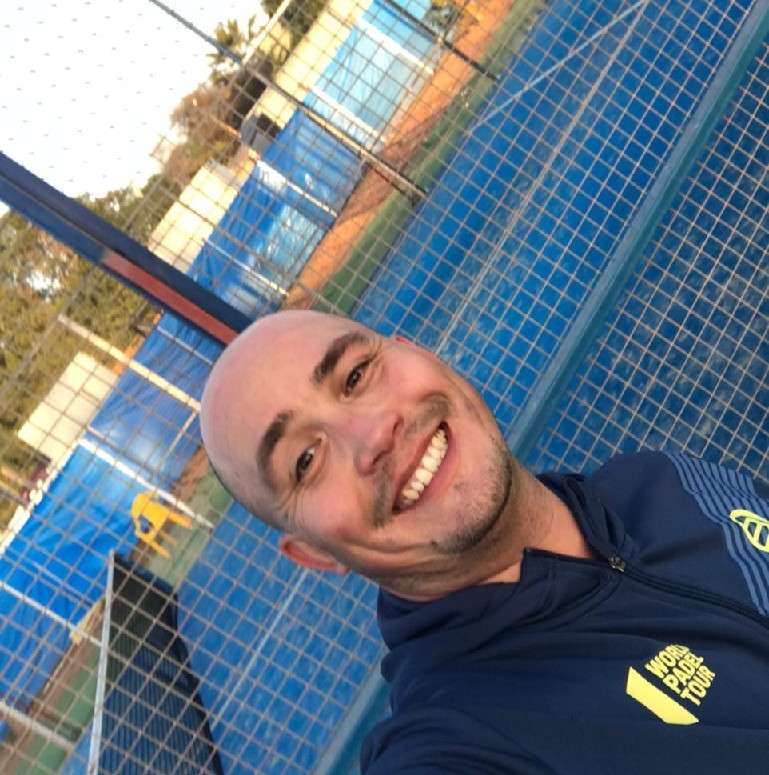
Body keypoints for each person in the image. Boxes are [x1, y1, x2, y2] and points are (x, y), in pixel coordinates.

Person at [200, 309, 769, 774]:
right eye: (306, 460)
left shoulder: (658, 478)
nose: (372, 434)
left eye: (355, 376)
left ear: (419, 351)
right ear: (315, 553)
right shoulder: (458, 744)